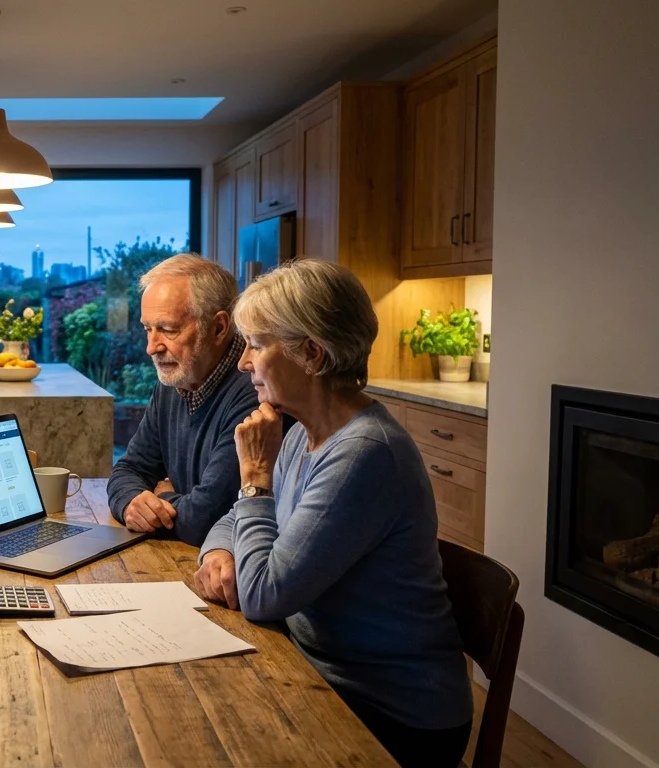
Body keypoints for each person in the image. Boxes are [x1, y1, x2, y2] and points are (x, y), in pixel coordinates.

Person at [193, 259, 471, 768]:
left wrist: (254, 479)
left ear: (312, 355)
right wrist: (217, 550)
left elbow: (263, 595)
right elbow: (236, 520)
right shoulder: (300, 431)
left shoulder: (364, 453)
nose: (242, 362)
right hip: (312, 665)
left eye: (256, 344)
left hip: (389, 714)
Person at [107, 253, 259, 547]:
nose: (151, 347)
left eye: (168, 329)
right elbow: (128, 471)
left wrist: (162, 494)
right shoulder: (173, 382)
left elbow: (205, 518)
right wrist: (132, 504)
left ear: (218, 327)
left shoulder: (255, 391)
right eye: (147, 329)